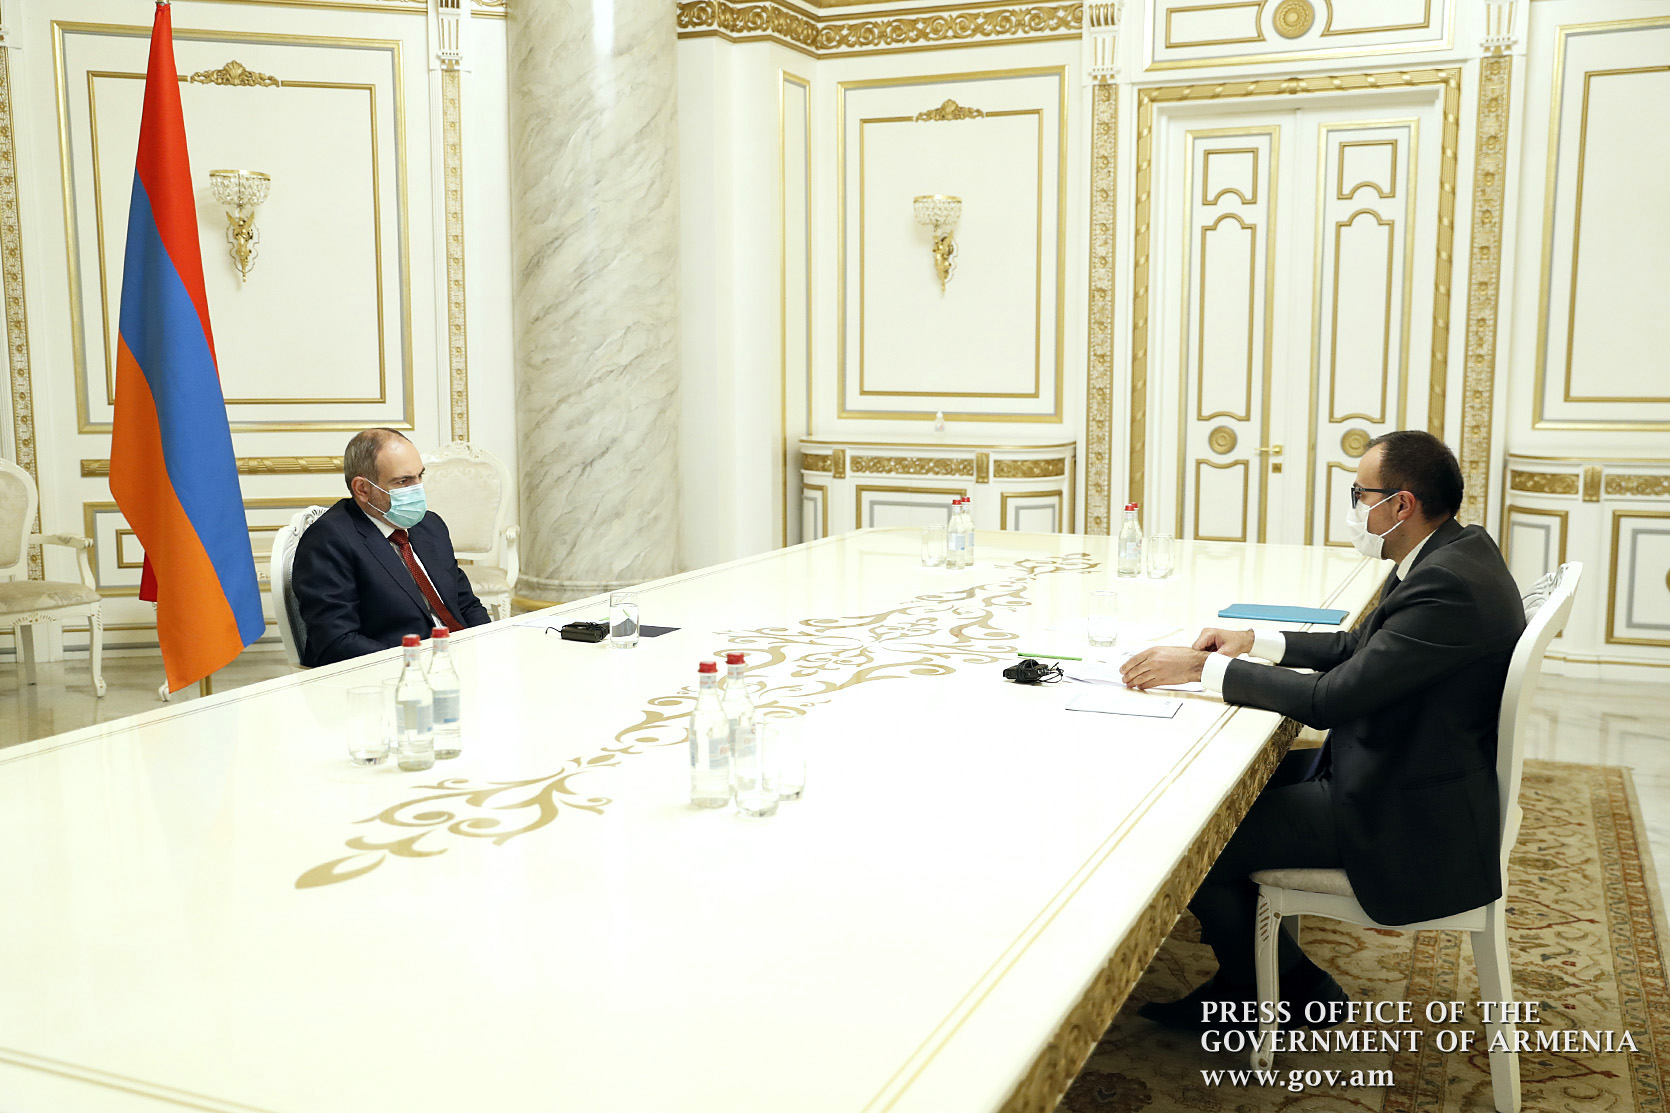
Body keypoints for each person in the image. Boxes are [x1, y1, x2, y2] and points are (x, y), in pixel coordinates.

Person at [1118, 430, 1526, 1031]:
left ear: (1402, 505)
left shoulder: (1447, 587)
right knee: (1212, 794)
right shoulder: (1450, 552)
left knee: (1195, 840)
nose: (1355, 507)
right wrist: (1252, 641)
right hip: (1398, 766)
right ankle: (1276, 977)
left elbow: (1329, 700)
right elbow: (1358, 648)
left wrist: (1203, 669)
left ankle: (1274, 988)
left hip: (1399, 810)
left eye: (1362, 494)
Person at [292, 429, 491, 667]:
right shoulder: (328, 540)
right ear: (362, 489)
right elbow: (337, 642)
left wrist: (488, 643)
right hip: (396, 672)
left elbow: (466, 604)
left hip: (459, 661)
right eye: (403, 481)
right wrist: (417, 664)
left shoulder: (430, 525)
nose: (418, 489)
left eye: (419, 476)